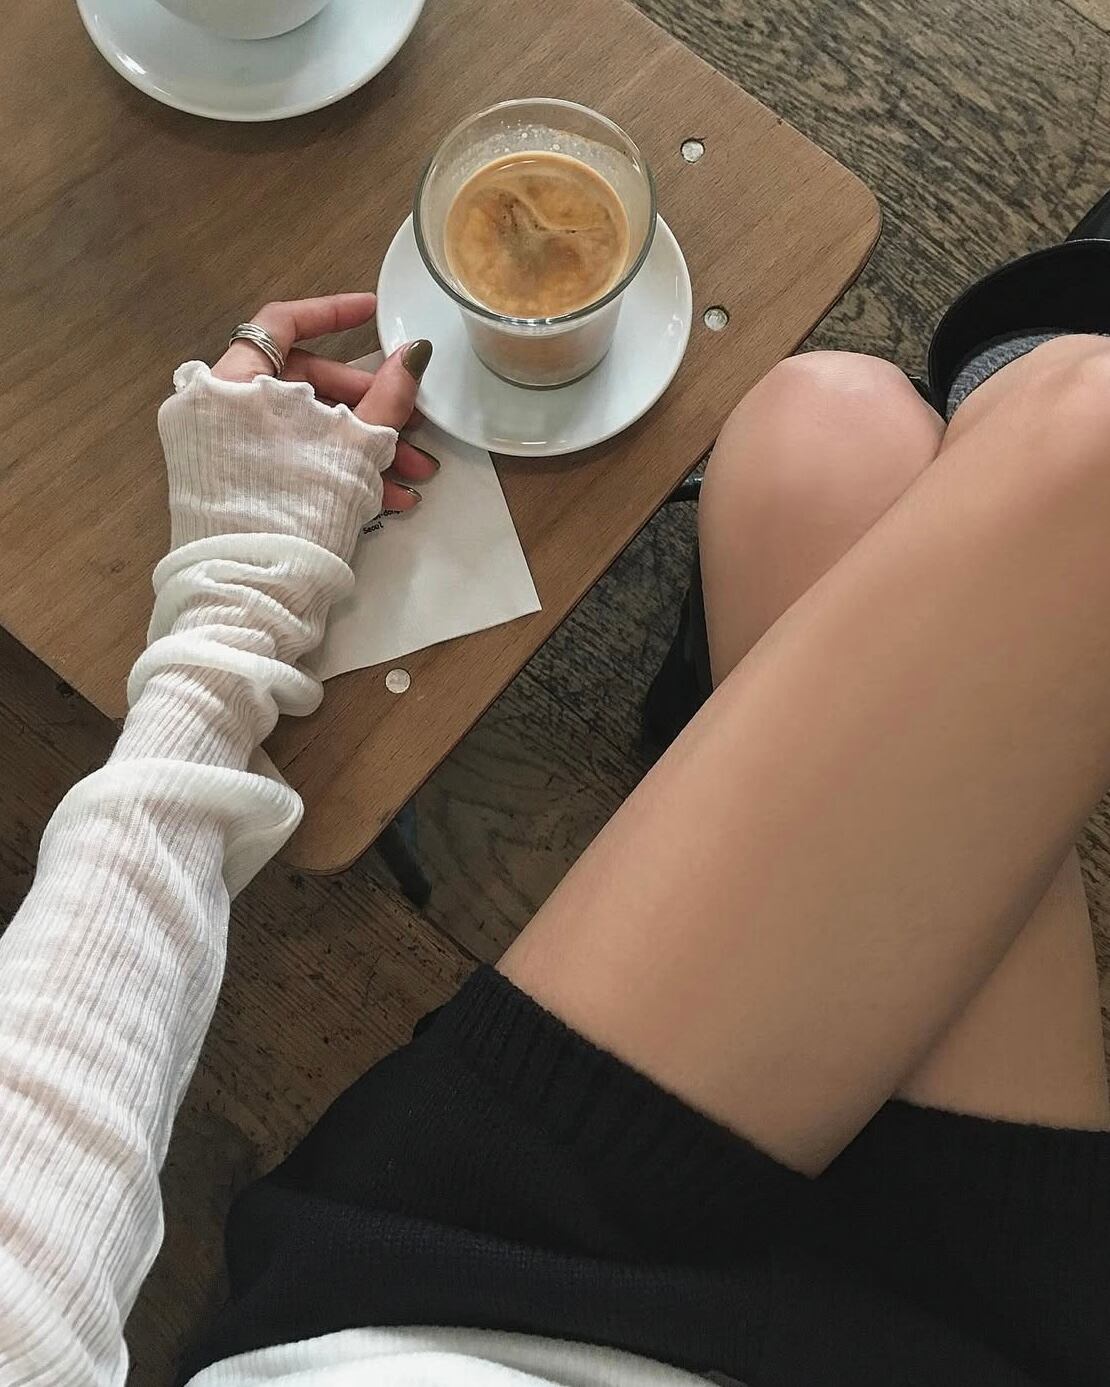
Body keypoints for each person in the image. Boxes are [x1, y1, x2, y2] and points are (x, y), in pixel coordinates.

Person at [1, 194, 1109, 1387]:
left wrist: (235, 609)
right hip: (974, 1344)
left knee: (826, 438)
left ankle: (701, 711)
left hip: (465, 1291)